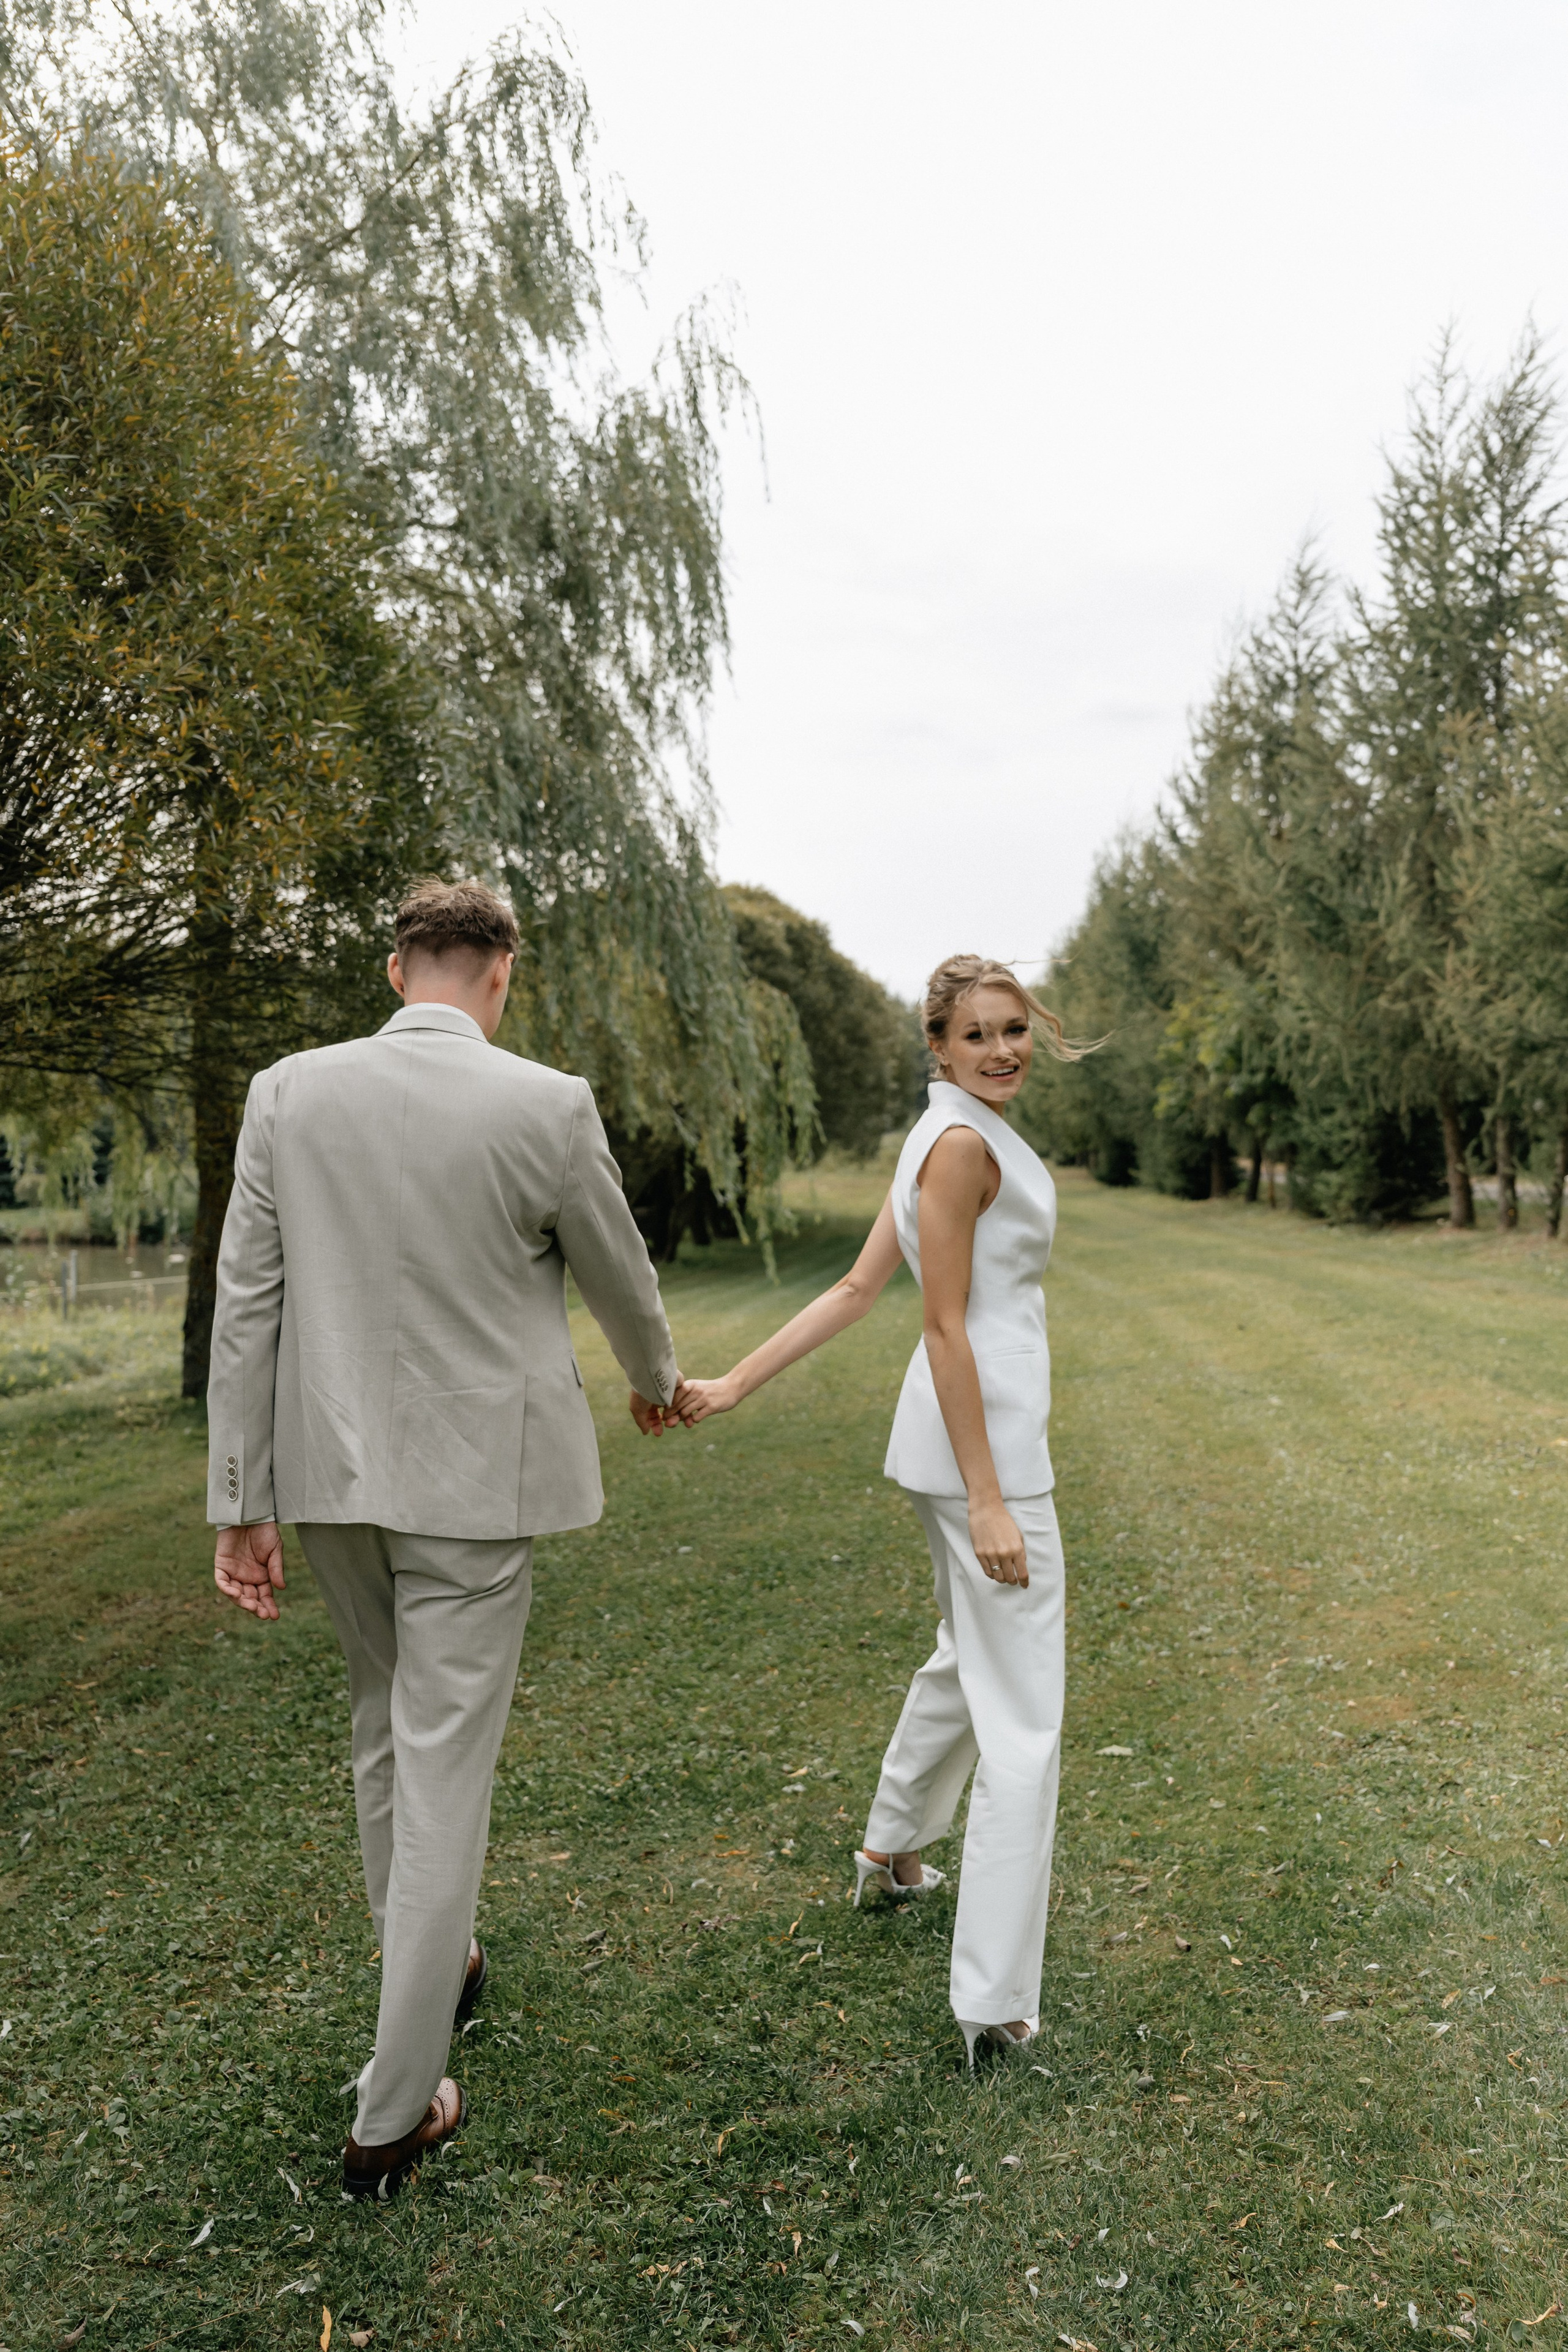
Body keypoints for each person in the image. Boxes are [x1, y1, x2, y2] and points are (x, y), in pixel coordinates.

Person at [205, 880, 680, 2198]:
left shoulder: (286, 1093)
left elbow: (248, 1309)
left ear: (398, 967)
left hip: (328, 1472)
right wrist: (654, 1376)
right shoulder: (545, 1104)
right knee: (444, 1773)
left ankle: (443, 1962)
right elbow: (618, 1273)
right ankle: (393, 2109)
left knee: (381, 1726)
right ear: (499, 974)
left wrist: (240, 1497)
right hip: (474, 1486)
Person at [673, 954, 1085, 2066]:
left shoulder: (949, 1130)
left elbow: (860, 1287)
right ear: (939, 1045)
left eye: (1014, 1029)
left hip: (958, 1450)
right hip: (981, 1458)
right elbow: (935, 1323)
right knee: (1028, 1724)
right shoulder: (956, 1147)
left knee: (968, 1657)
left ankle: (892, 1852)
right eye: (978, 1034)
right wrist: (993, 1499)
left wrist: (732, 1381)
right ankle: (993, 2004)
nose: (1003, 1049)